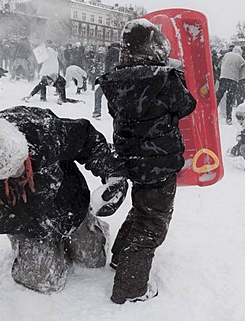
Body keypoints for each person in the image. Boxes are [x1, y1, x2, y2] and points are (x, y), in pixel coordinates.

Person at [97, 18, 196, 304]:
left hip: (132, 158)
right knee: (152, 223)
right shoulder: (163, 79)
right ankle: (130, 289)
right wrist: (177, 76)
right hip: (159, 161)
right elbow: (187, 105)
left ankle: (120, 257)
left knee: (142, 209)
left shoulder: (115, 79)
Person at [0, 106, 128, 293]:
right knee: (45, 282)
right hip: (29, 227)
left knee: (93, 261)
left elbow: (87, 140)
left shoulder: (39, 129)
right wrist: (28, 223)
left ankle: (92, 227)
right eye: (9, 171)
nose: (20, 170)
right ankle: (27, 247)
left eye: (21, 159)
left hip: (70, 204)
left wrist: (114, 174)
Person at [216, 46, 245, 124]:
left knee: (219, 95)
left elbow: (219, 65)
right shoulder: (241, 59)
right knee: (230, 99)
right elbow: (242, 74)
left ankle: (212, 112)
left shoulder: (227, 54)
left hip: (223, 77)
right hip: (233, 80)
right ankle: (229, 118)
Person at [93, 42, 120, 119]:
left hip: (109, 77)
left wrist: (106, 75)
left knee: (98, 93)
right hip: (116, 77)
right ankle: (117, 113)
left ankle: (97, 112)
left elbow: (108, 65)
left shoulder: (112, 51)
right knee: (114, 96)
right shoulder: (120, 54)